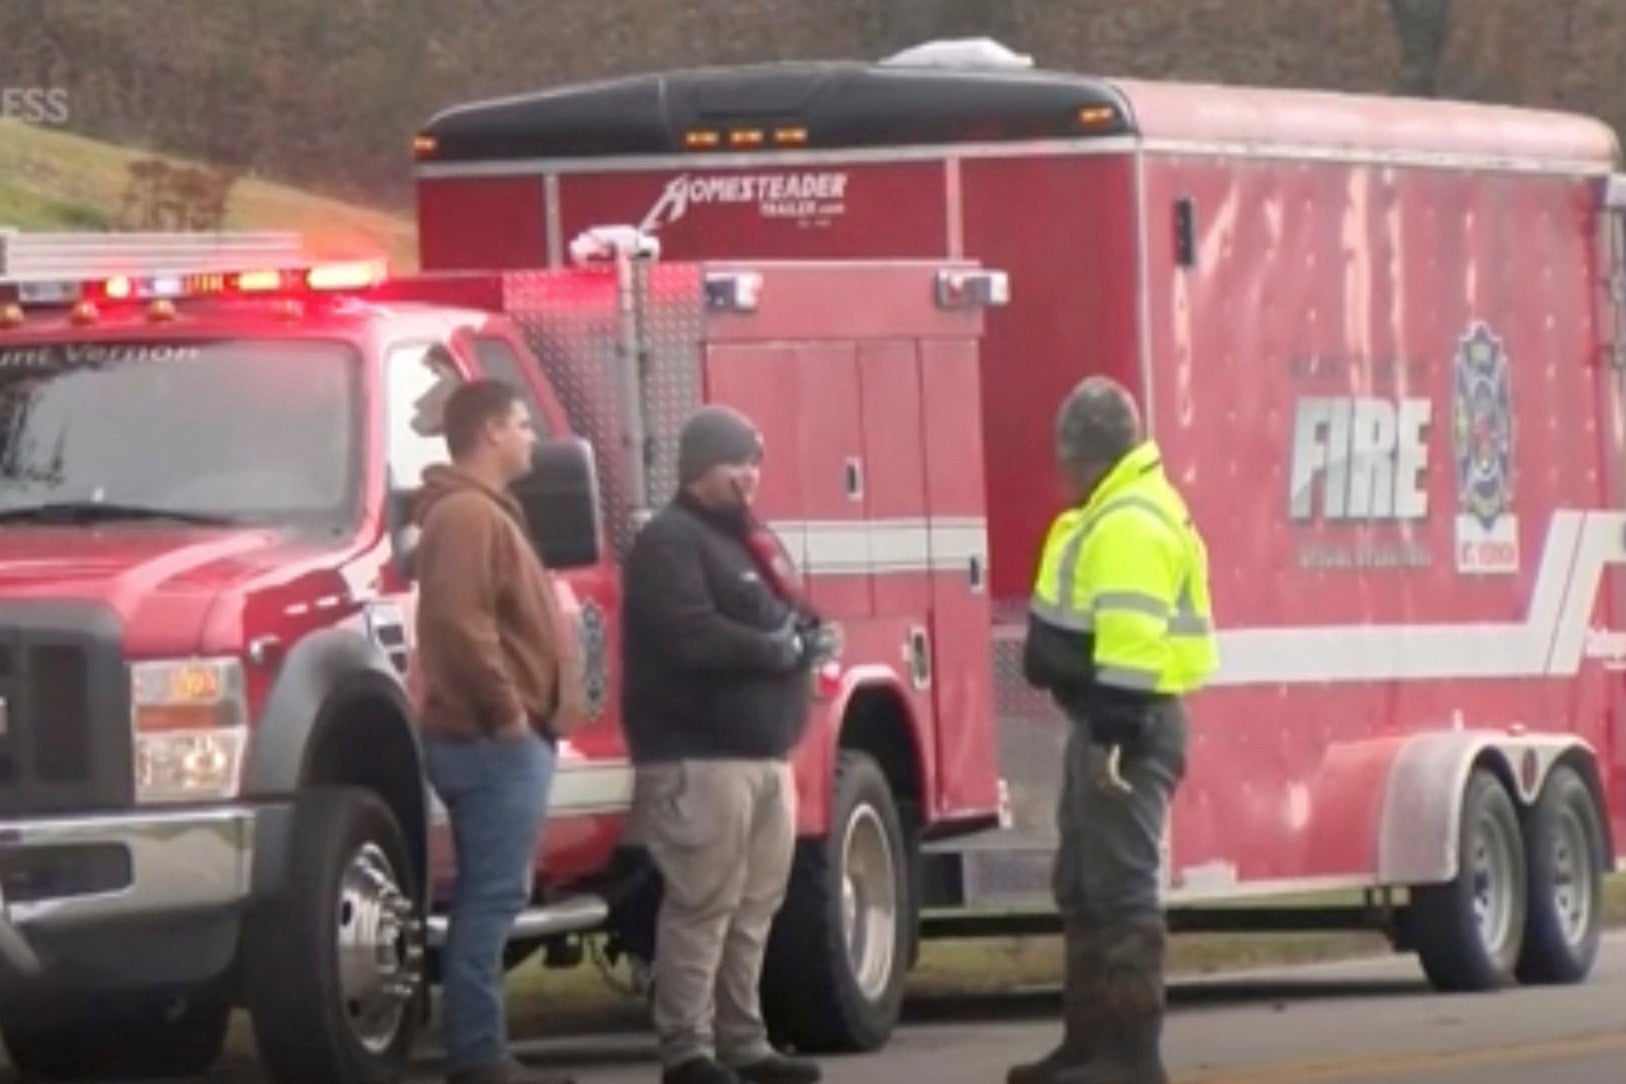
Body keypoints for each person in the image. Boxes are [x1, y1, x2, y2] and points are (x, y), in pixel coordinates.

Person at [1007, 376, 1218, 1084]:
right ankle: (1089, 1045)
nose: (1063, 471)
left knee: (1121, 891)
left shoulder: (1129, 520)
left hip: (1126, 724)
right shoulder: (1113, 510)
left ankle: (1128, 1055)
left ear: (1088, 454)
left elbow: (1130, 646)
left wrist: (1111, 742)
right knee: (1085, 885)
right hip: (1104, 721)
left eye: (1069, 457)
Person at [620, 404, 825, 1084]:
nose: (750, 477)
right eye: (737, 462)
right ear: (700, 469)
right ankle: (686, 1048)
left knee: (756, 903)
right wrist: (773, 649)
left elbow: (791, 613)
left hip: (766, 757)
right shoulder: (668, 543)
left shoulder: (755, 543)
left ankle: (745, 1041)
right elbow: (689, 634)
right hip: (697, 758)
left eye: (755, 462)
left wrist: (809, 635)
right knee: (703, 904)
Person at [413, 378, 582, 1084]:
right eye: (520, 423)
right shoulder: (467, 517)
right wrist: (508, 714)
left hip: (499, 740)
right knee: (492, 897)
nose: (530, 437)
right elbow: (460, 622)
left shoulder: (480, 513)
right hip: (491, 743)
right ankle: (479, 1056)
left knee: (493, 895)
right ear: (488, 433)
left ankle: (482, 1048)